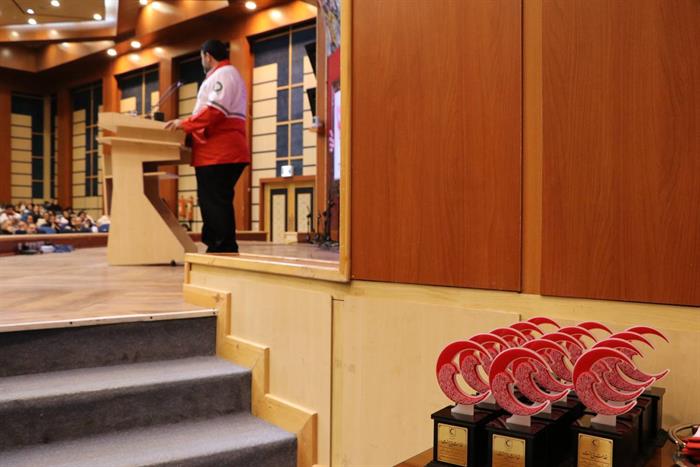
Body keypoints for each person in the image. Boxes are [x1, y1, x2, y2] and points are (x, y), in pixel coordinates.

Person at [165, 39, 250, 253]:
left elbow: (215, 111)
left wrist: (184, 124)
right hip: (217, 151)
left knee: (215, 200)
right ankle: (217, 245)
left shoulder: (224, 74)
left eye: (201, 56)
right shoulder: (224, 75)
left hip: (219, 151)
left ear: (207, 56)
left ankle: (222, 247)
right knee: (213, 199)